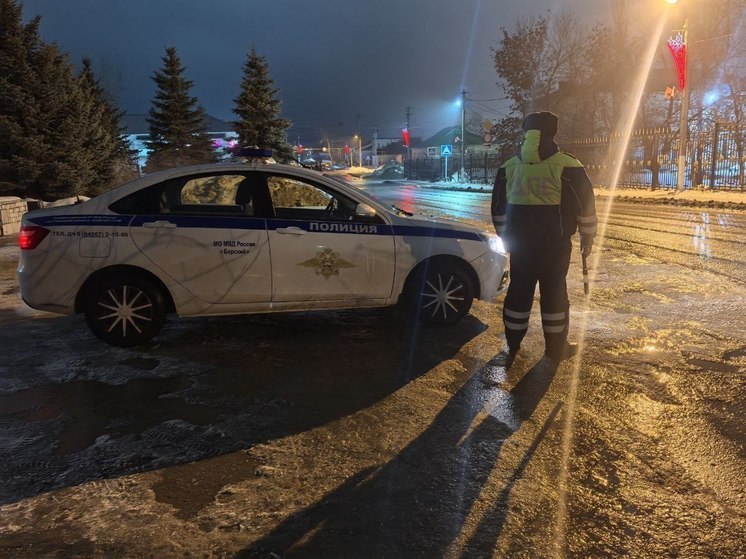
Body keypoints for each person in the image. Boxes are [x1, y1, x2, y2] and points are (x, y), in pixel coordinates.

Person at [491, 111, 597, 364]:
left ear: (525, 132)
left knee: (519, 291)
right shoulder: (569, 165)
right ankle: (555, 348)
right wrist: (587, 237)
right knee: (555, 293)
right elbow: (586, 207)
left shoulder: (509, 167)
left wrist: (506, 237)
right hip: (555, 246)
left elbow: (498, 210)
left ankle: (513, 343)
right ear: (553, 132)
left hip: (520, 246)